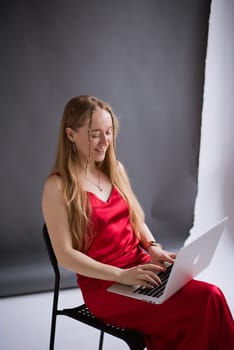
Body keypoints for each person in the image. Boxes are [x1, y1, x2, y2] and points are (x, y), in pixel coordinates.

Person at [42, 95, 234, 349]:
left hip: (140, 270)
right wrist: (122, 274)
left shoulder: (115, 170)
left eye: (109, 132)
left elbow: (135, 220)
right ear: (70, 134)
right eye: (95, 134)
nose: (105, 142)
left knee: (212, 296)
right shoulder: (57, 186)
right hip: (105, 286)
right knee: (194, 312)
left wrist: (153, 247)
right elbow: (65, 256)